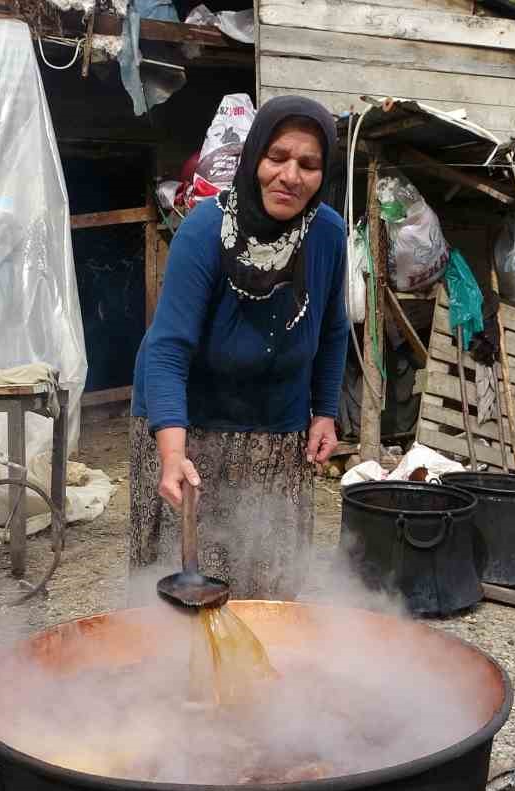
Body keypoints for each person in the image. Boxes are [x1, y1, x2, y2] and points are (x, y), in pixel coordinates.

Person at [128, 95, 349, 600]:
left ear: (323, 174)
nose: (290, 176)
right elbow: (167, 349)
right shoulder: (206, 230)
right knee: (182, 580)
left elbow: (333, 330)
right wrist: (173, 452)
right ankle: (170, 676)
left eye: (309, 165)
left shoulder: (328, 234)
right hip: (189, 421)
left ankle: (260, 674)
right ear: (254, 160)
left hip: (277, 425)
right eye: (277, 158)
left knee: (267, 574)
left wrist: (324, 412)